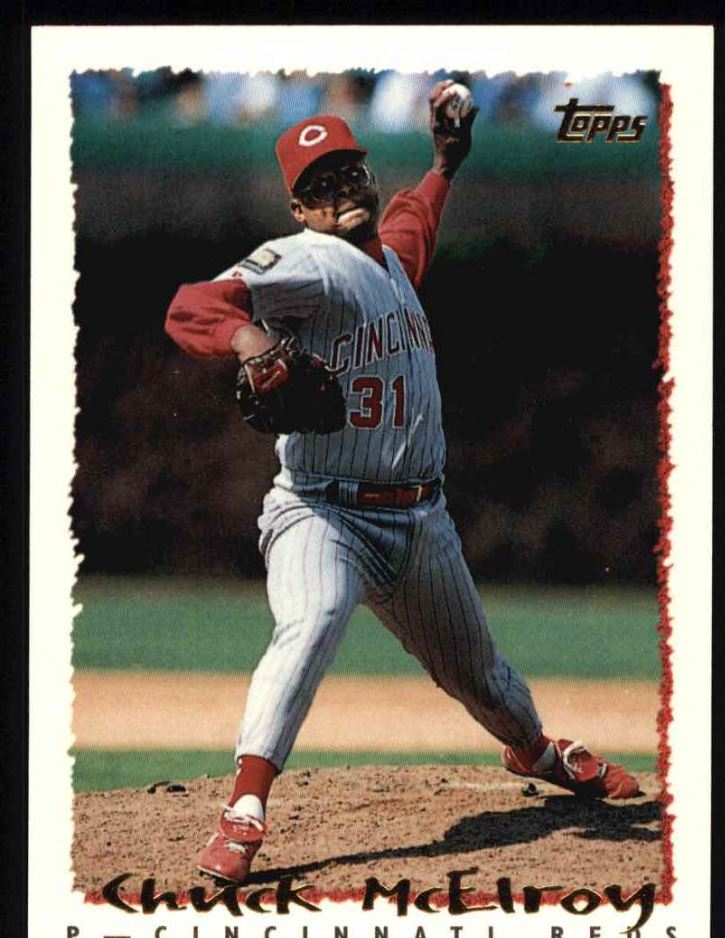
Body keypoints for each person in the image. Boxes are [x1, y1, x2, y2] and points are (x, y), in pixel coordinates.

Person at [165, 80, 639, 884]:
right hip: (323, 514)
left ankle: (534, 752)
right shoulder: (306, 260)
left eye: (348, 173)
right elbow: (191, 305)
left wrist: (444, 165)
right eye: (320, 186)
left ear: (368, 177)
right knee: (312, 620)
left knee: (486, 681)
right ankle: (244, 809)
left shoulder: (386, 261)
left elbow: (411, 228)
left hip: (420, 523)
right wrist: (248, 340)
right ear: (300, 208)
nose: (339, 191)